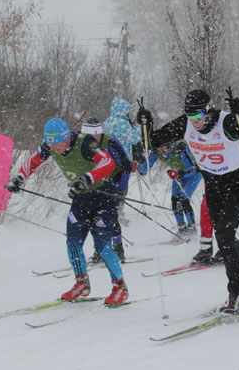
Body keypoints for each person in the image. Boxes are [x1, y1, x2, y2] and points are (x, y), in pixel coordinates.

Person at [137, 89, 239, 313]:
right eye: (190, 117)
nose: (194, 122)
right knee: (223, 235)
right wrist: (146, 124)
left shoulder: (226, 122)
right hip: (214, 183)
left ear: (208, 112)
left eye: (198, 117)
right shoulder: (186, 123)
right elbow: (154, 141)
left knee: (224, 234)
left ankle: (235, 294)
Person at [5, 117, 131, 305]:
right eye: (50, 143)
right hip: (81, 199)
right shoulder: (49, 146)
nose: (54, 148)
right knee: (73, 243)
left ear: (67, 138)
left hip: (105, 196)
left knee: (103, 245)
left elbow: (108, 163)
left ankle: (119, 287)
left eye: (58, 144)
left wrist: (88, 177)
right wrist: (20, 178)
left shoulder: (85, 143)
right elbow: (34, 159)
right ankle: (82, 283)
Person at [76, 118, 130, 263]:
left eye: (94, 136)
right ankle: (100, 250)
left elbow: (126, 165)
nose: (91, 140)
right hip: (96, 185)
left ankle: (118, 250)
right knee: (95, 219)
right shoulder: (81, 143)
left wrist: (121, 188)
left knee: (110, 217)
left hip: (116, 182)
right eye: (87, 136)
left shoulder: (110, 142)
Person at [136, 137, 200, 239]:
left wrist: (179, 173)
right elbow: (147, 166)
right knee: (175, 200)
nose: (161, 151)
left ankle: (192, 229)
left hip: (193, 175)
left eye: (163, 147)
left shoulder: (180, 147)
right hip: (178, 176)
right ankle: (182, 229)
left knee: (184, 199)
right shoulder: (157, 151)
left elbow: (193, 168)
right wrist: (139, 168)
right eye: (158, 149)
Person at [102, 97, 142, 225]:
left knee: (109, 187)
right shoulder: (123, 123)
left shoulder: (107, 122)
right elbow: (134, 139)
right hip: (123, 160)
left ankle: (106, 212)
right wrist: (136, 126)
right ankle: (117, 215)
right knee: (122, 188)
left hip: (107, 161)